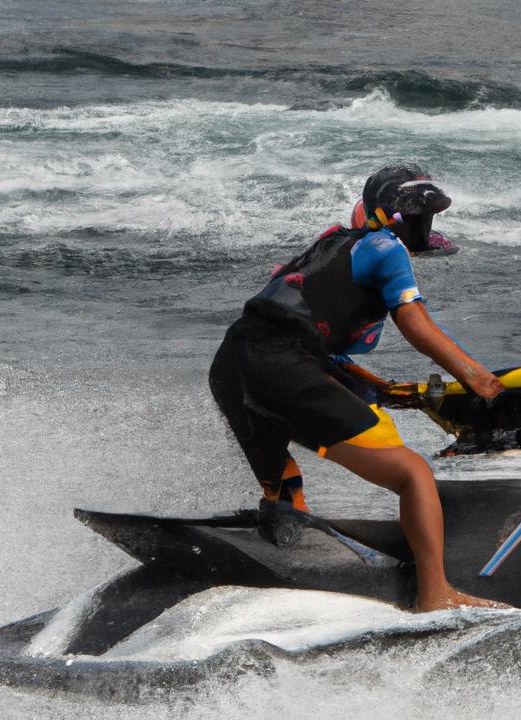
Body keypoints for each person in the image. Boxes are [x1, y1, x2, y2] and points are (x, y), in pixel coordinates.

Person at [209, 163, 506, 612]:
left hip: (232, 364)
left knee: (284, 486)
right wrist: (475, 376)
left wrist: (372, 385)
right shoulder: (387, 249)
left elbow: (287, 326)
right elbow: (413, 321)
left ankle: (284, 550)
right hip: (283, 367)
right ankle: (436, 595)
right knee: (413, 474)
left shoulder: (326, 246)